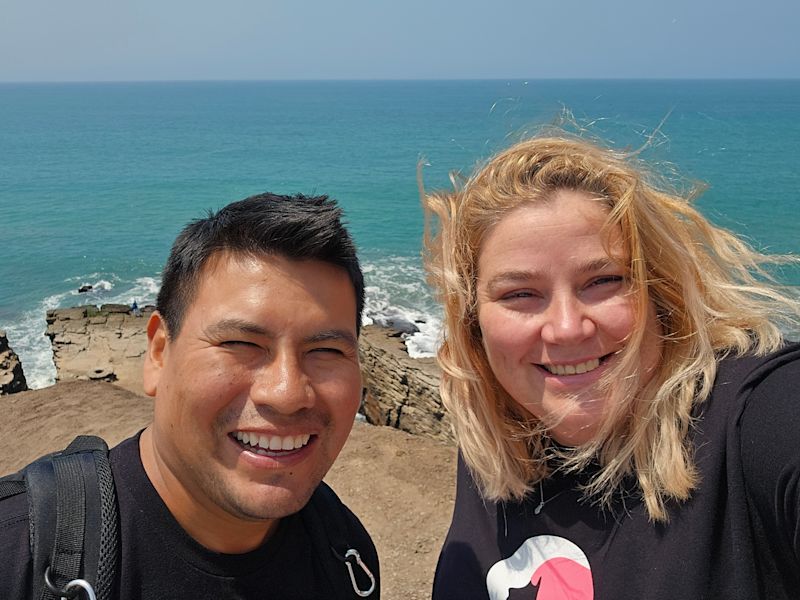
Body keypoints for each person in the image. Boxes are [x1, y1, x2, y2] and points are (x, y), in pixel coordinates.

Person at [422, 135, 800, 599]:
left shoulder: (753, 416)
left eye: (603, 281)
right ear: (473, 322)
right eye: (519, 294)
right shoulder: (498, 434)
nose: (566, 329)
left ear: (658, 293)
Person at [0, 193, 379, 599]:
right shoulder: (16, 554)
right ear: (160, 353)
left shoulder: (345, 555)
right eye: (240, 343)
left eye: (326, 351)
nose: (287, 394)